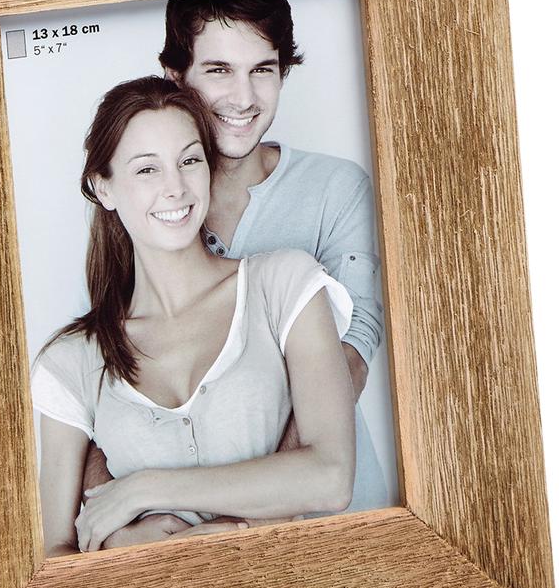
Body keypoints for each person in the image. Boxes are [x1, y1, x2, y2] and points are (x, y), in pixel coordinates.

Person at [83, 0, 388, 523]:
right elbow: (106, 386)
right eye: (219, 70)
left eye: (262, 70)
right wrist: (114, 519)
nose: (243, 97)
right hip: (185, 543)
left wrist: (239, 523)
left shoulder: (337, 188)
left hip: (333, 524)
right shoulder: (151, 207)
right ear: (176, 76)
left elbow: (352, 355)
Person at [32, 77, 356, 554]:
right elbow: (55, 556)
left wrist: (144, 489)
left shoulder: (284, 285)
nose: (175, 188)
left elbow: (331, 477)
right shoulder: (71, 361)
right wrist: (124, 551)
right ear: (104, 188)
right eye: (147, 169)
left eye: (189, 161)